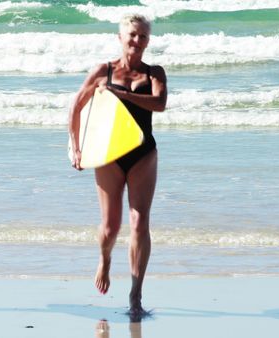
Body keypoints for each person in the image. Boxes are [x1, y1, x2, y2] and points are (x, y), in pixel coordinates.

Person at [68, 14, 167, 316]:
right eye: (132, 35)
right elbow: (76, 104)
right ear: (120, 37)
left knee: (140, 222)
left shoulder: (154, 73)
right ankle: (105, 258)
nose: (137, 41)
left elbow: (159, 104)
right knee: (111, 228)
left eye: (143, 37)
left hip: (143, 153)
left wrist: (121, 94)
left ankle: (135, 295)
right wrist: (75, 147)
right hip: (109, 155)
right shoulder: (103, 71)